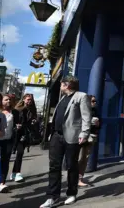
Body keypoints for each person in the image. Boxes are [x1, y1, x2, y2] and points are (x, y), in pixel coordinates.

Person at [40, 76, 91, 208]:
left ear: (67, 85)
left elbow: (86, 116)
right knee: (54, 166)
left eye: (62, 84)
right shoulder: (62, 98)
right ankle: (53, 196)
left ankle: (71, 193)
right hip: (57, 136)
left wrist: (84, 133)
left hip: (72, 136)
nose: (60, 86)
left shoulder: (81, 96)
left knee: (71, 165)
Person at [11, 94, 36, 182]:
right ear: (24, 99)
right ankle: (15, 173)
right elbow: (12, 121)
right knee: (17, 153)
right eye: (28, 99)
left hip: (24, 134)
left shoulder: (31, 111)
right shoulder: (17, 110)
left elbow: (31, 123)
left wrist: (33, 122)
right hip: (16, 134)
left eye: (31, 100)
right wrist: (16, 125)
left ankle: (16, 173)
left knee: (20, 153)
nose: (30, 101)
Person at [78, 95, 101, 187]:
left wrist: (97, 124)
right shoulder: (80, 110)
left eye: (95, 101)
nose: (94, 103)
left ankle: (80, 179)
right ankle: (72, 179)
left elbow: (99, 125)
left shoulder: (96, 111)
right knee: (78, 158)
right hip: (81, 137)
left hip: (91, 137)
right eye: (92, 101)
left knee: (84, 159)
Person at [0, 95, 17, 193]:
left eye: (10, 99)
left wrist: (17, 127)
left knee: (5, 161)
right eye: (6, 99)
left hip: (8, 140)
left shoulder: (14, 112)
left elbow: (17, 123)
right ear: (1, 101)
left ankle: (2, 183)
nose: (8, 101)